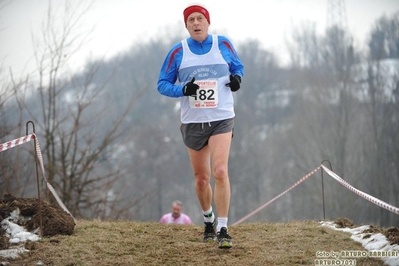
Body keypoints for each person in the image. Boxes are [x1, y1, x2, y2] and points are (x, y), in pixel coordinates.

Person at [157, 4, 244, 249]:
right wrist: (182, 89)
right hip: (193, 122)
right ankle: (209, 220)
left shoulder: (223, 44)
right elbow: (162, 83)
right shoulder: (178, 51)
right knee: (201, 179)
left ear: (208, 22)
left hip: (221, 117)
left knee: (220, 171)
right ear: (186, 25)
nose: (196, 23)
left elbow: (238, 66)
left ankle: (223, 228)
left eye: (200, 19)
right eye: (191, 20)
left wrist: (237, 79)